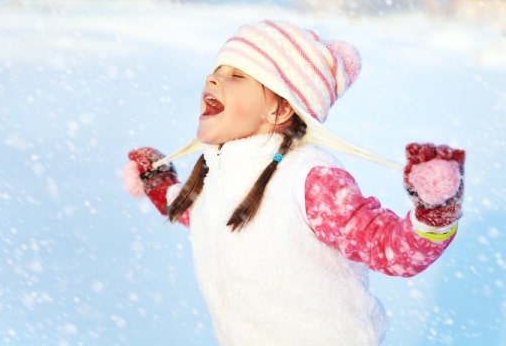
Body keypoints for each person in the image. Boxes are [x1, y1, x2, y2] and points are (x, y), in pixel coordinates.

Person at [121, 20, 465, 345]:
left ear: (280, 110)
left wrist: (435, 211)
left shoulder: (308, 180)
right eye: (215, 72)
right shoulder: (218, 172)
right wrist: (156, 181)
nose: (212, 80)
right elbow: (196, 213)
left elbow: (386, 248)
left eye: (237, 75)